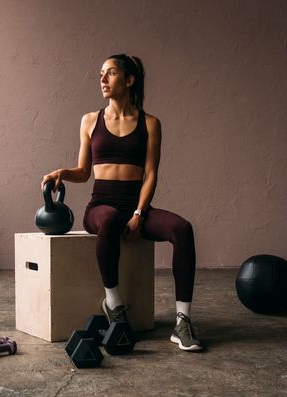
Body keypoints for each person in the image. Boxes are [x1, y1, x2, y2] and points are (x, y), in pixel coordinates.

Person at [41, 54, 203, 352]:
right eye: (101, 73)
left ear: (129, 80)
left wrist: (140, 214)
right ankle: (114, 305)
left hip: (135, 206)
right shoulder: (90, 120)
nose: (102, 79)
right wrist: (62, 173)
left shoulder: (150, 123)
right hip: (100, 208)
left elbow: (151, 174)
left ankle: (183, 322)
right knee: (111, 218)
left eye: (111, 73)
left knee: (183, 228)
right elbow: (83, 171)